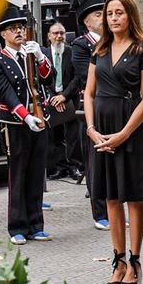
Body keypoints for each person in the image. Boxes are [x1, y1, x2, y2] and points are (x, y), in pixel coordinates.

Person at [83, 0, 143, 284]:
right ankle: (118, 260)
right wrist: (91, 129)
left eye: (119, 13)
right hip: (101, 128)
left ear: (130, 16)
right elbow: (89, 93)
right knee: (111, 197)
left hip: (130, 128)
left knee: (132, 195)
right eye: (109, 13)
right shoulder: (99, 49)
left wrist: (125, 133)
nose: (114, 18)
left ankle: (136, 260)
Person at [0, 6, 53, 245]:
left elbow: (48, 78)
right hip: (15, 123)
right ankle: (17, 226)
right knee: (18, 174)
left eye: (21, 27)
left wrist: (40, 57)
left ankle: (36, 225)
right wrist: (25, 116)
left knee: (36, 173)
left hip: (40, 118)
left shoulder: (32, 54)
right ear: (3, 34)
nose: (19, 32)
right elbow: (6, 93)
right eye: (13, 28)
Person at [68, 0, 111, 229]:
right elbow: (87, 76)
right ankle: (100, 212)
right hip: (93, 107)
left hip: (114, 105)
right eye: (97, 14)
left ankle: (114, 207)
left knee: (113, 161)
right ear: (87, 22)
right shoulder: (81, 45)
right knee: (95, 162)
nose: (103, 18)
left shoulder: (114, 41)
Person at [45, 23, 81, 182]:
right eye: (55, 33)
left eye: (62, 33)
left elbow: (77, 77)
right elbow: (43, 79)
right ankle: (61, 167)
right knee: (56, 136)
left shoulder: (72, 53)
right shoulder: (44, 54)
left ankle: (74, 166)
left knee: (72, 135)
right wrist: (55, 97)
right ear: (49, 36)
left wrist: (64, 96)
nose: (59, 36)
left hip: (69, 98)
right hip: (52, 99)